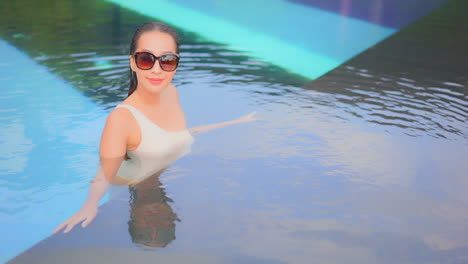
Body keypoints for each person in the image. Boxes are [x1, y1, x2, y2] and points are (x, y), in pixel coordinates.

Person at [53, 22, 258, 234]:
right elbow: (104, 173)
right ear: (133, 63)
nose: (157, 70)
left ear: (176, 65)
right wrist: (91, 204)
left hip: (159, 179)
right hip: (134, 185)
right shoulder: (121, 120)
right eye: (145, 59)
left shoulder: (171, 93)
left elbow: (180, 134)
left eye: (167, 60)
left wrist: (235, 123)